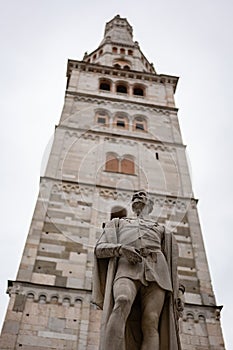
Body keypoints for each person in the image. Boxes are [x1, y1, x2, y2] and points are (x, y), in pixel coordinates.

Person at [92, 191, 184, 350]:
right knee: (122, 299)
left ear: (151, 205)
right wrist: (120, 249)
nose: (138, 194)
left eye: (143, 195)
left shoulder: (162, 229)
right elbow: (99, 249)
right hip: (127, 266)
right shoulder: (118, 223)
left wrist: (180, 290)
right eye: (135, 194)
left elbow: (172, 263)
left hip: (158, 271)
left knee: (151, 320)